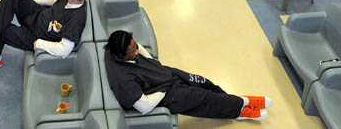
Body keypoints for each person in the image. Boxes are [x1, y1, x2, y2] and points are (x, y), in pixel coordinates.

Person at [103, 30, 271, 121]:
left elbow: (137, 45)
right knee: (204, 99)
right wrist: (165, 87)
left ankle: (232, 104)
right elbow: (144, 107)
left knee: (204, 83)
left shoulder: (114, 47)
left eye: (135, 47)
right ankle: (243, 106)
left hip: (164, 74)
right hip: (164, 93)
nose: (137, 51)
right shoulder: (123, 81)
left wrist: (154, 63)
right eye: (133, 51)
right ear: (121, 56)